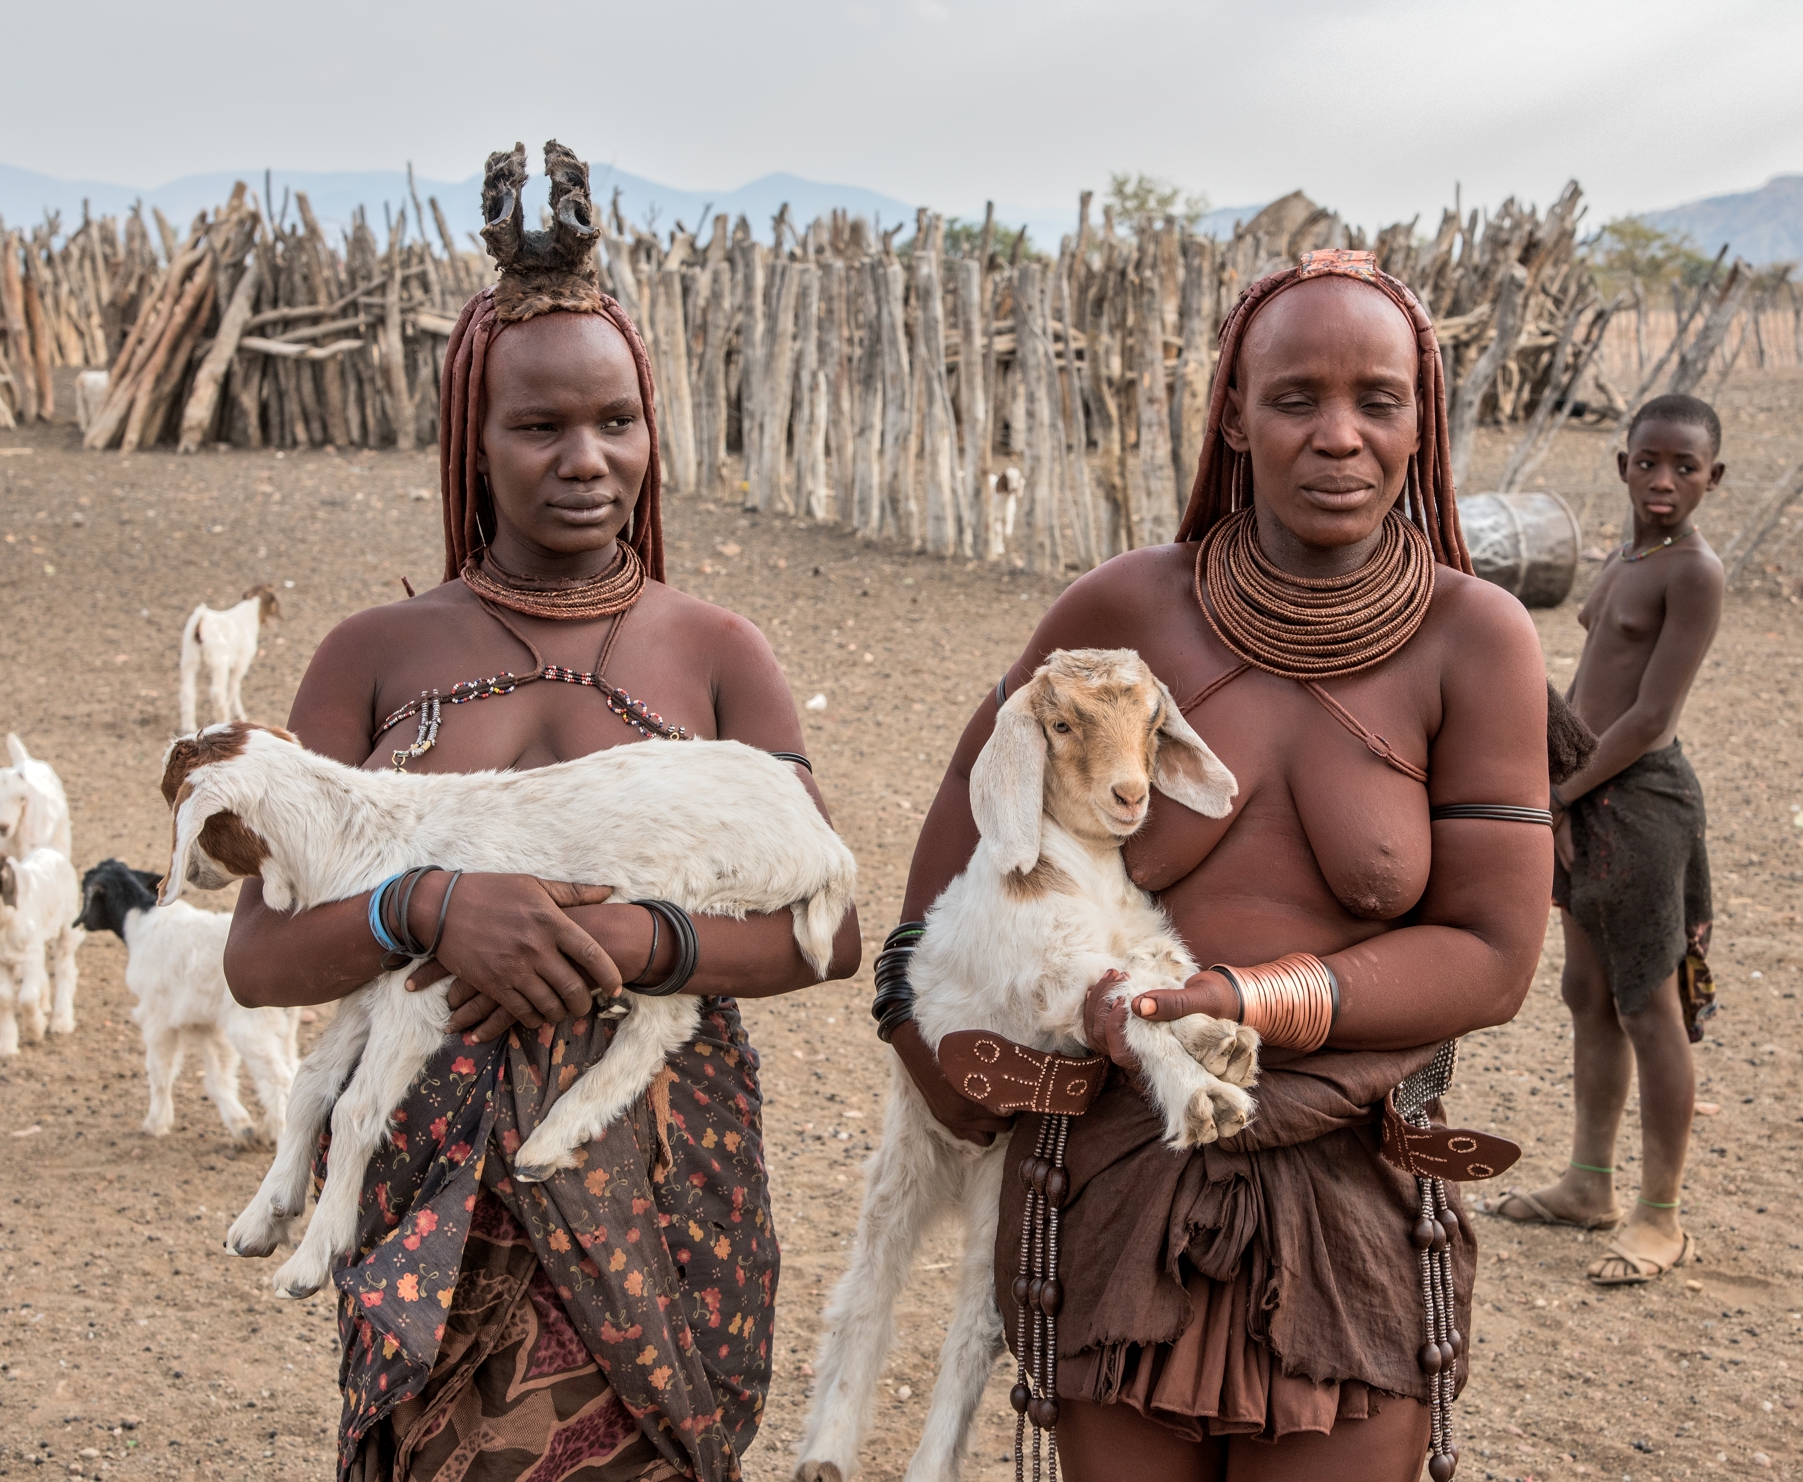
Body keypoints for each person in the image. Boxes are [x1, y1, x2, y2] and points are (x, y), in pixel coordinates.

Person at [221, 144, 859, 1482]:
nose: (587, 459)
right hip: (431, 1172)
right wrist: (425, 905)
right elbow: (261, 957)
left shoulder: (715, 650)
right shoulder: (374, 655)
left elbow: (828, 929)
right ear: (472, 439)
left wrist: (642, 944)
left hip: (664, 1159)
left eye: (616, 422)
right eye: (539, 427)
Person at [881, 250, 1559, 1481]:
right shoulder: (1128, 612)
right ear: (1232, 416)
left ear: (1425, 420)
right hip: (1113, 1166)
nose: (1337, 436)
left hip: (1352, 1180)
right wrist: (943, 1061)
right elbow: (949, 883)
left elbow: (1494, 956)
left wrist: (1249, 1001)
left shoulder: (1475, 641)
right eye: (1295, 398)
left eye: (1377, 400)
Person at [1477, 393, 1725, 1286]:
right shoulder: (1627, 553)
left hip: (1641, 799)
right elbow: (1593, 682)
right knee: (1587, 992)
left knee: (1648, 1008)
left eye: (1684, 468)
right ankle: (1590, 1183)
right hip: (1584, 792)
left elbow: (1652, 714)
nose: (1663, 482)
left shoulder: (1692, 573)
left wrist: (1555, 795)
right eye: (1648, 462)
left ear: (1712, 479)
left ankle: (1661, 1214)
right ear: (1622, 465)